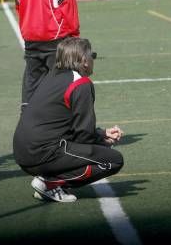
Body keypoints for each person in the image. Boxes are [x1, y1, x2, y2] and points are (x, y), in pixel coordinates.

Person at [13, 37, 124, 203]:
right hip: (42, 153)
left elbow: (67, 125)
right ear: (84, 61)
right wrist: (103, 141)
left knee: (89, 150)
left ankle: (50, 182)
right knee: (114, 160)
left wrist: (101, 134)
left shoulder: (52, 76)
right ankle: (49, 184)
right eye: (92, 55)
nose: (93, 59)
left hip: (22, 152)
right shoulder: (81, 84)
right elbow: (83, 135)